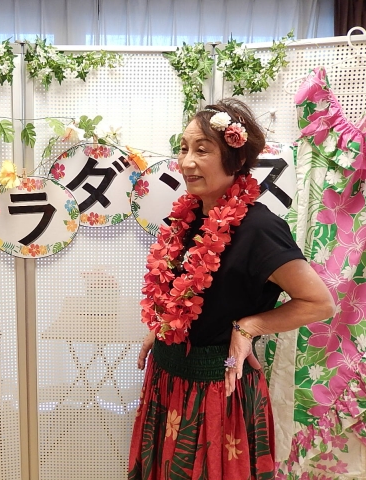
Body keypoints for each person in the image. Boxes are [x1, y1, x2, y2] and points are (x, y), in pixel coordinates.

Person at [127, 99, 335, 479]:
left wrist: (248, 327)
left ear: (236, 159)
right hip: (167, 380)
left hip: (216, 394)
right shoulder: (187, 219)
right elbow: (195, 299)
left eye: (202, 150)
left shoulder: (260, 229)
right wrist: (162, 327)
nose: (187, 162)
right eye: (184, 148)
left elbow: (320, 303)